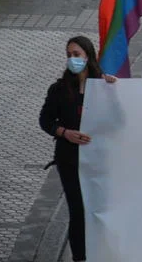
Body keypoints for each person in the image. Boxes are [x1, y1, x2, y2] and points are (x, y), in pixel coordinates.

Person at [39, 37, 117, 262]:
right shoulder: (59, 89)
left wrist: (114, 91)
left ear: (88, 56)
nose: (72, 59)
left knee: (100, 208)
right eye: (69, 55)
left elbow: (119, 119)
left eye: (77, 54)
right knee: (78, 209)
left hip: (99, 158)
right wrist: (64, 133)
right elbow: (45, 120)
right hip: (70, 159)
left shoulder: (103, 87)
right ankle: (80, 257)